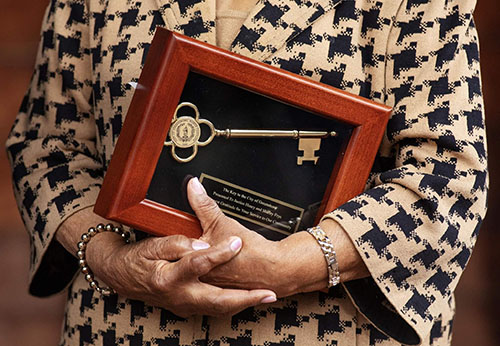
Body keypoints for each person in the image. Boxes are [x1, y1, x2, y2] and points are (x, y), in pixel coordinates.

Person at [6, 0, 487, 345]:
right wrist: (112, 260)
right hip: (127, 328)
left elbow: (446, 181)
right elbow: (48, 147)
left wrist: (291, 265)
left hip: (326, 333)